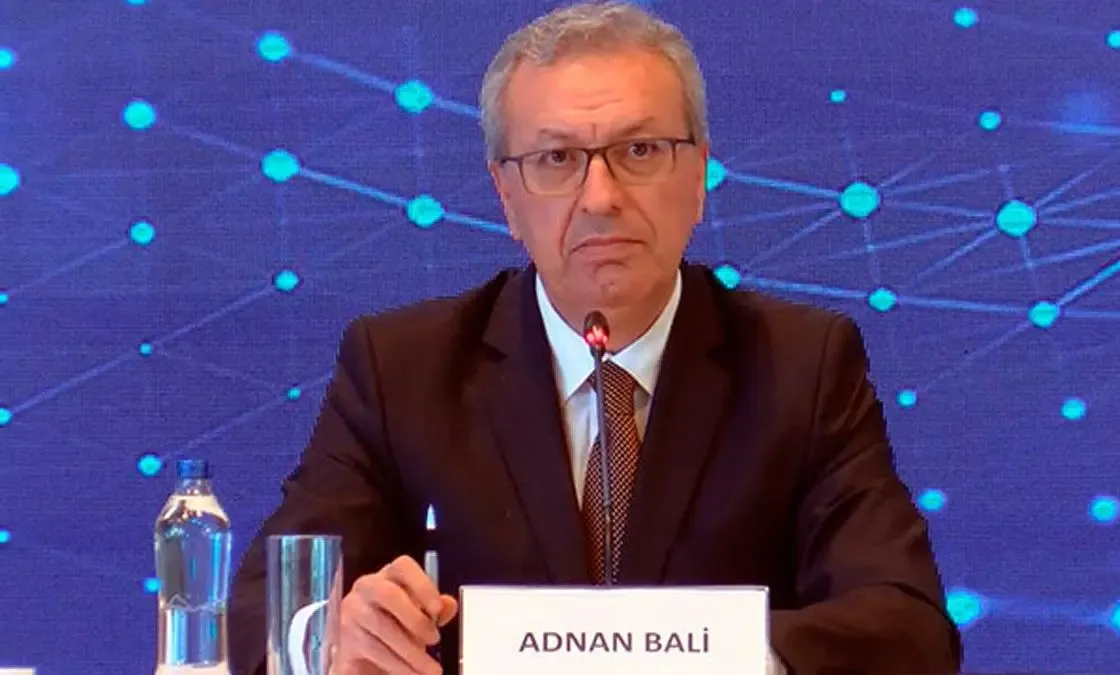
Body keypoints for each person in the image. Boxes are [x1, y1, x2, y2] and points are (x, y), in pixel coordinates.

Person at [227, 2, 962, 674]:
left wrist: (725, 657)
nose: (602, 197)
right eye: (557, 160)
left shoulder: (804, 366)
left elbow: (908, 627)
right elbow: (260, 612)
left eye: (640, 151)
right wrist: (328, 634)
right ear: (506, 196)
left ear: (699, 175)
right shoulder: (401, 370)